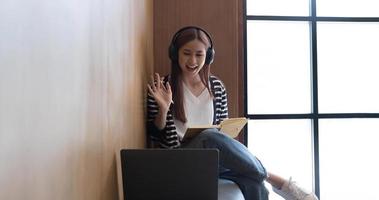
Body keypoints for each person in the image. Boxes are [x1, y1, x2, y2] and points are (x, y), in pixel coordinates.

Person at [146, 26, 318, 200]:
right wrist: (164, 108)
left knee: (254, 183)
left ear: (208, 56)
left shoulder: (217, 88)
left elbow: (223, 134)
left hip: (214, 161)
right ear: (175, 54)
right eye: (186, 53)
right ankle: (277, 181)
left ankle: (264, 178)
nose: (192, 60)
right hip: (181, 160)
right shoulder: (164, 86)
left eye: (199, 54)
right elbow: (155, 135)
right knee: (209, 136)